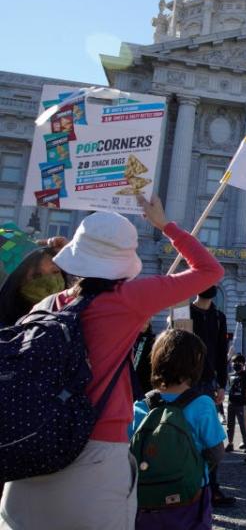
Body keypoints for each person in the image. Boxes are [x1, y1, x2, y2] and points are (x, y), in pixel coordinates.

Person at [1, 195, 224, 530]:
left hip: (30, 444)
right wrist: (166, 226)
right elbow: (210, 271)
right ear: (124, 261)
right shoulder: (128, 300)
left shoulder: (47, 305)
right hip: (97, 448)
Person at [130, 329, 225, 529]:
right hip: (191, 493)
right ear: (195, 365)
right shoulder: (202, 404)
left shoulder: (140, 405)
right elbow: (216, 452)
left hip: (145, 495)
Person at [188, 285, 233, 507]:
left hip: (207, 382)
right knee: (188, 433)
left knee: (210, 436)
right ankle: (191, 483)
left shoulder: (218, 316)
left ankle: (211, 486)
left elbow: (221, 351)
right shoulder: (183, 313)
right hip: (186, 380)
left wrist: (222, 384)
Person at [0, 224, 68, 327]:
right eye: (37, 275)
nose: (51, 282)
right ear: (15, 282)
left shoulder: (72, 314)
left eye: (55, 272)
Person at [225, 354, 246, 452]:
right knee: (230, 425)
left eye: (238, 362)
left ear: (243, 364)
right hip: (231, 403)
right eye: (234, 362)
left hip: (241, 404)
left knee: (242, 425)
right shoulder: (231, 375)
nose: (235, 364)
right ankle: (230, 443)